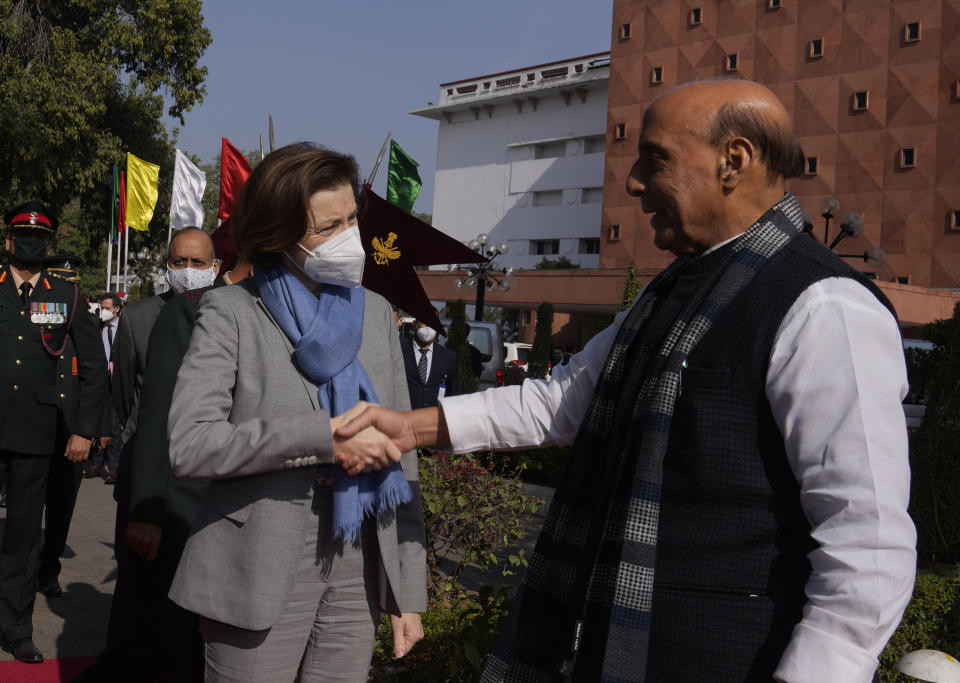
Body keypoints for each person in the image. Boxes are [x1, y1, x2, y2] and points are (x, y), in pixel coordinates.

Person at [337, 79, 916, 682]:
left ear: (733, 161)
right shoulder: (670, 292)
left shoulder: (825, 307)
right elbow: (561, 402)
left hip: (729, 656)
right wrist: (411, 426)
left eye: (655, 157)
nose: (634, 180)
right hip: (619, 642)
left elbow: (866, 540)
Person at [166, 143, 427, 682]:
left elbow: (404, 461)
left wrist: (408, 592)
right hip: (257, 556)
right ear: (278, 233)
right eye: (327, 227)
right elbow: (190, 445)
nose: (348, 236)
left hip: (360, 552)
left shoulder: (375, 313)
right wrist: (321, 438)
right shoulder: (231, 311)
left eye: (352, 219)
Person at [78, 228, 221, 682]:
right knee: (138, 603)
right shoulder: (139, 318)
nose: (188, 272)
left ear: (215, 265)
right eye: (178, 262)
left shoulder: (227, 312)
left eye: (198, 263)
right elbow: (127, 400)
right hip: (146, 481)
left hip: (205, 488)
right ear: (166, 265)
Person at [0, 202, 107, 663]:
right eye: (20, 236)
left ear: (47, 246)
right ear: (7, 241)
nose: (28, 243)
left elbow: (95, 369)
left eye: (37, 238)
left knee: (23, 540)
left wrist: (84, 430)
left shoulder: (66, 295)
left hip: (36, 434)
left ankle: (15, 628)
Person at [38, 254, 112, 599]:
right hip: (34, 424)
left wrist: (98, 429)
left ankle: (49, 567)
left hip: (73, 429)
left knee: (62, 504)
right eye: (59, 280)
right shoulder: (37, 316)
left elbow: (98, 377)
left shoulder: (82, 317)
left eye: (72, 281)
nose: (66, 287)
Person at [84, 292, 123, 483]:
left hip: (117, 382)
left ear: (117, 308)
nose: (104, 312)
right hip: (100, 380)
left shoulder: (125, 327)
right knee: (99, 422)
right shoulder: (98, 327)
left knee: (115, 425)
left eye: (108, 308)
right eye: (102, 308)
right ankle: (96, 463)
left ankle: (114, 467)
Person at [400, 320, 458, 408]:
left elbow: (452, 392)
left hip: (434, 418)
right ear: (414, 324)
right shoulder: (400, 350)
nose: (429, 328)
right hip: (405, 417)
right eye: (424, 322)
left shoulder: (448, 356)